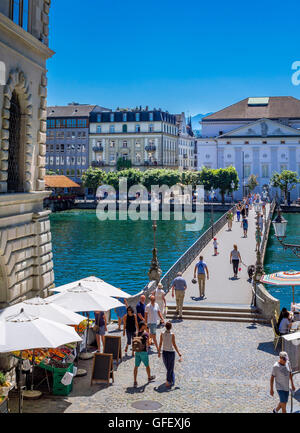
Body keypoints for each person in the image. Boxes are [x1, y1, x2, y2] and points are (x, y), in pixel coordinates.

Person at [158, 321, 182, 388]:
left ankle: (170, 380)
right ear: (171, 327)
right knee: (170, 367)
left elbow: (160, 343)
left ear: (165, 327)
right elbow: (174, 344)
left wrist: (159, 352)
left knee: (168, 367)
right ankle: (168, 381)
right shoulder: (172, 334)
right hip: (171, 352)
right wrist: (179, 353)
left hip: (164, 352)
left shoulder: (162, 334)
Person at [133, 321, 156, 388]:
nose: (146, 326)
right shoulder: (145, 334)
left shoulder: (135, 333)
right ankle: (149, 377)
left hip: (137, 352)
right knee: (147, 365)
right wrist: (151, 338)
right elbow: (148, 343)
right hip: (143, 352)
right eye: (145, 325)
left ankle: (135, 381)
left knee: (136, 366)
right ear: (142, 326)